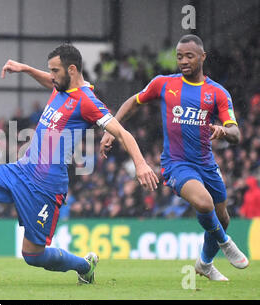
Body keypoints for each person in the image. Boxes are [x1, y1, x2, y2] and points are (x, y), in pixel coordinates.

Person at [0, 43, 159, 283]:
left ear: (71, 69)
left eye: (55, 71)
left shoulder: (87, 101)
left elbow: (123, 132)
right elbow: (49, 80)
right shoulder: (61, 86)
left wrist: (141, 164)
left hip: (46, 187)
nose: (51, 76)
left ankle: (84, 266)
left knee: (33, 255)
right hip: (21, 170)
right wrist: (23, 68)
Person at [100, 34, 249, 281]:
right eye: (179, 57)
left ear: (203, 57)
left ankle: (205, 263)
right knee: (204, 203)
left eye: (189, 56)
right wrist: (111, 128)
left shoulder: (217, 93)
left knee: (223, 218)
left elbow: (236, 132)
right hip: (176, 164)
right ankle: (226, 243)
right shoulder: (163, 83)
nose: (183, 61)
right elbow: (133, 102)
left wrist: (223, 130)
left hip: (207, 164)